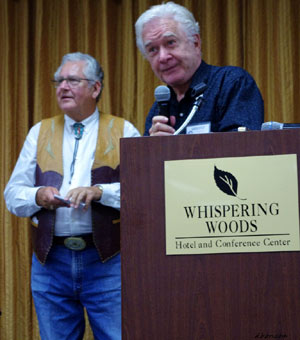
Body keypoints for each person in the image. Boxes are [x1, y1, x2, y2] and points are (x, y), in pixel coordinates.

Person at [4, 52, 140, 340]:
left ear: (95, 88)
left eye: (72, 80)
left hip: (108, 261)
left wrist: (100, 192)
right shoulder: (39, 132)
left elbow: (143, 191)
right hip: (50, 262)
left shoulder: (123, 130)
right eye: (59, 80)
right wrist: (39, 195)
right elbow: (13, 195)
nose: (62, 87)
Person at [135, 1, 264, 136]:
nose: (162, 57)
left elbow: (243, 149)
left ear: (195, 42)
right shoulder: (158, 111)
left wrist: (178, 147)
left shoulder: (231, 83)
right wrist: (153, 149)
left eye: (170, 42)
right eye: (153, 49)